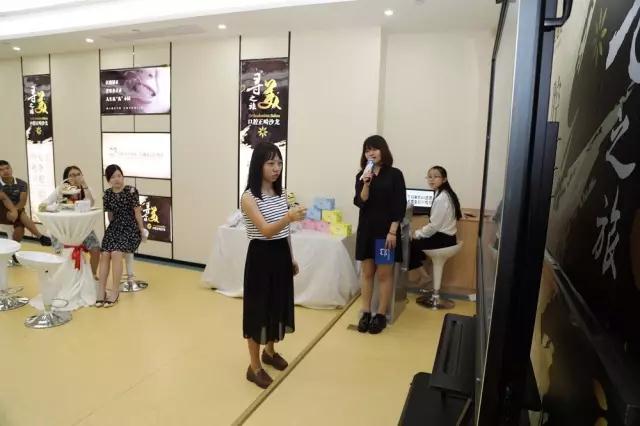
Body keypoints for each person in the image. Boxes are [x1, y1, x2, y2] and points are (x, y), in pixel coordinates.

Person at [240, 142, 306, 389]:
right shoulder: (249, 197)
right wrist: (289, 216)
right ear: (259, 165)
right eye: (271, 163)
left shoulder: (281, 193)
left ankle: (269, 351)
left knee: (277, 304)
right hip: (261, 256)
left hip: (280, 254)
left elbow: (284, 232)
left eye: (279, 163)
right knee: (258, 310)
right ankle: (254, 366)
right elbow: (266, 231)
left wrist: (291, 258)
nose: (276, 168)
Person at [353, 135, 406, 334]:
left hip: (385, 233)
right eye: (367, 150)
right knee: (367, 273)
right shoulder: (362, 175)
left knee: (384, 274)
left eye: (374, 149)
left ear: (383, 150)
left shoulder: (395, 174)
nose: (371, 153)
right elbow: (361, 201)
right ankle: (366, 312)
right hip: (366, 230)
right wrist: (366, 183)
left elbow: (399, 204)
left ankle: (381, 315)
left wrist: (392, 231)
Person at [97, 165, 145, 308]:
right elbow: (110, 216)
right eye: (113, 177)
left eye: (119, 175)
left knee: (116, 253)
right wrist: (113, 230)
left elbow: (137, 212)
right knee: (105, 254)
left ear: (123, 177)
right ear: (108, 180)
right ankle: (101, 291)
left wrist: (141, 230)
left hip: (131, 228)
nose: (117, 179)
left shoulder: (131, 191)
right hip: (115, 228)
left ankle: (114, 292)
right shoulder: (107, 194)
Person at [41, 165, 101, 278]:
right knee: (62, 252)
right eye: (71, 175)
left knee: (95, 249)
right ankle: (63, 276)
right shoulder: (61, 189)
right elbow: (45, 202)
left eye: (78, 174)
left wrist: (84, 185)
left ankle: (93, 275)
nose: (75, 177)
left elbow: (91, 203)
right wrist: (53, 206)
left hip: (82, 227)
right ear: (66, 178)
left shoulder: (86, 189)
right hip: (63, 228)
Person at [408, 166, 462, 276]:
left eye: (436, 176)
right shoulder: (445, 193)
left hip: (443, 239)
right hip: (448, 237)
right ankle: (424, 276)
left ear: (444, 179)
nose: (431, 179)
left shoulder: (442, 198)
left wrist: (417, 234)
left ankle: (424, 277)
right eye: (429, 177)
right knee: (414, 243)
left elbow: (434, 226)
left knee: (408, 245)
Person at [0, 160, 52, 262]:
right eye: (1, 170)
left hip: (17, 211)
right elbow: (4, 199)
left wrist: (15, 212)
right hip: (2, 211)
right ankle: (40, 236)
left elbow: (22, 201)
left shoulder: (22, 183)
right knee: (21, 213)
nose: (5, 171)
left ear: (11, 169)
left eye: (7, 168)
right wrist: (14, 211)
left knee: (20, 230)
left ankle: (12, 252)